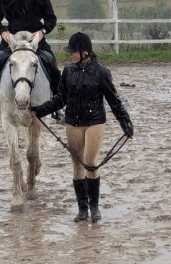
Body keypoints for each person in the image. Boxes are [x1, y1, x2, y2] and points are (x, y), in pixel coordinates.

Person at [28, 32, 134, 223]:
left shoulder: (102, 73)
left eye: (74, 52)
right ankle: (82, 209)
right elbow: (60, 99)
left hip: (95, 122)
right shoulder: (68, 72)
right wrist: (39, 110)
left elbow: (113, 101)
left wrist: (125, 122)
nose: (71, 55)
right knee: (77, 165)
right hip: (73, 123)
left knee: (91, 163)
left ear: (85, 52)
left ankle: (94, 207)